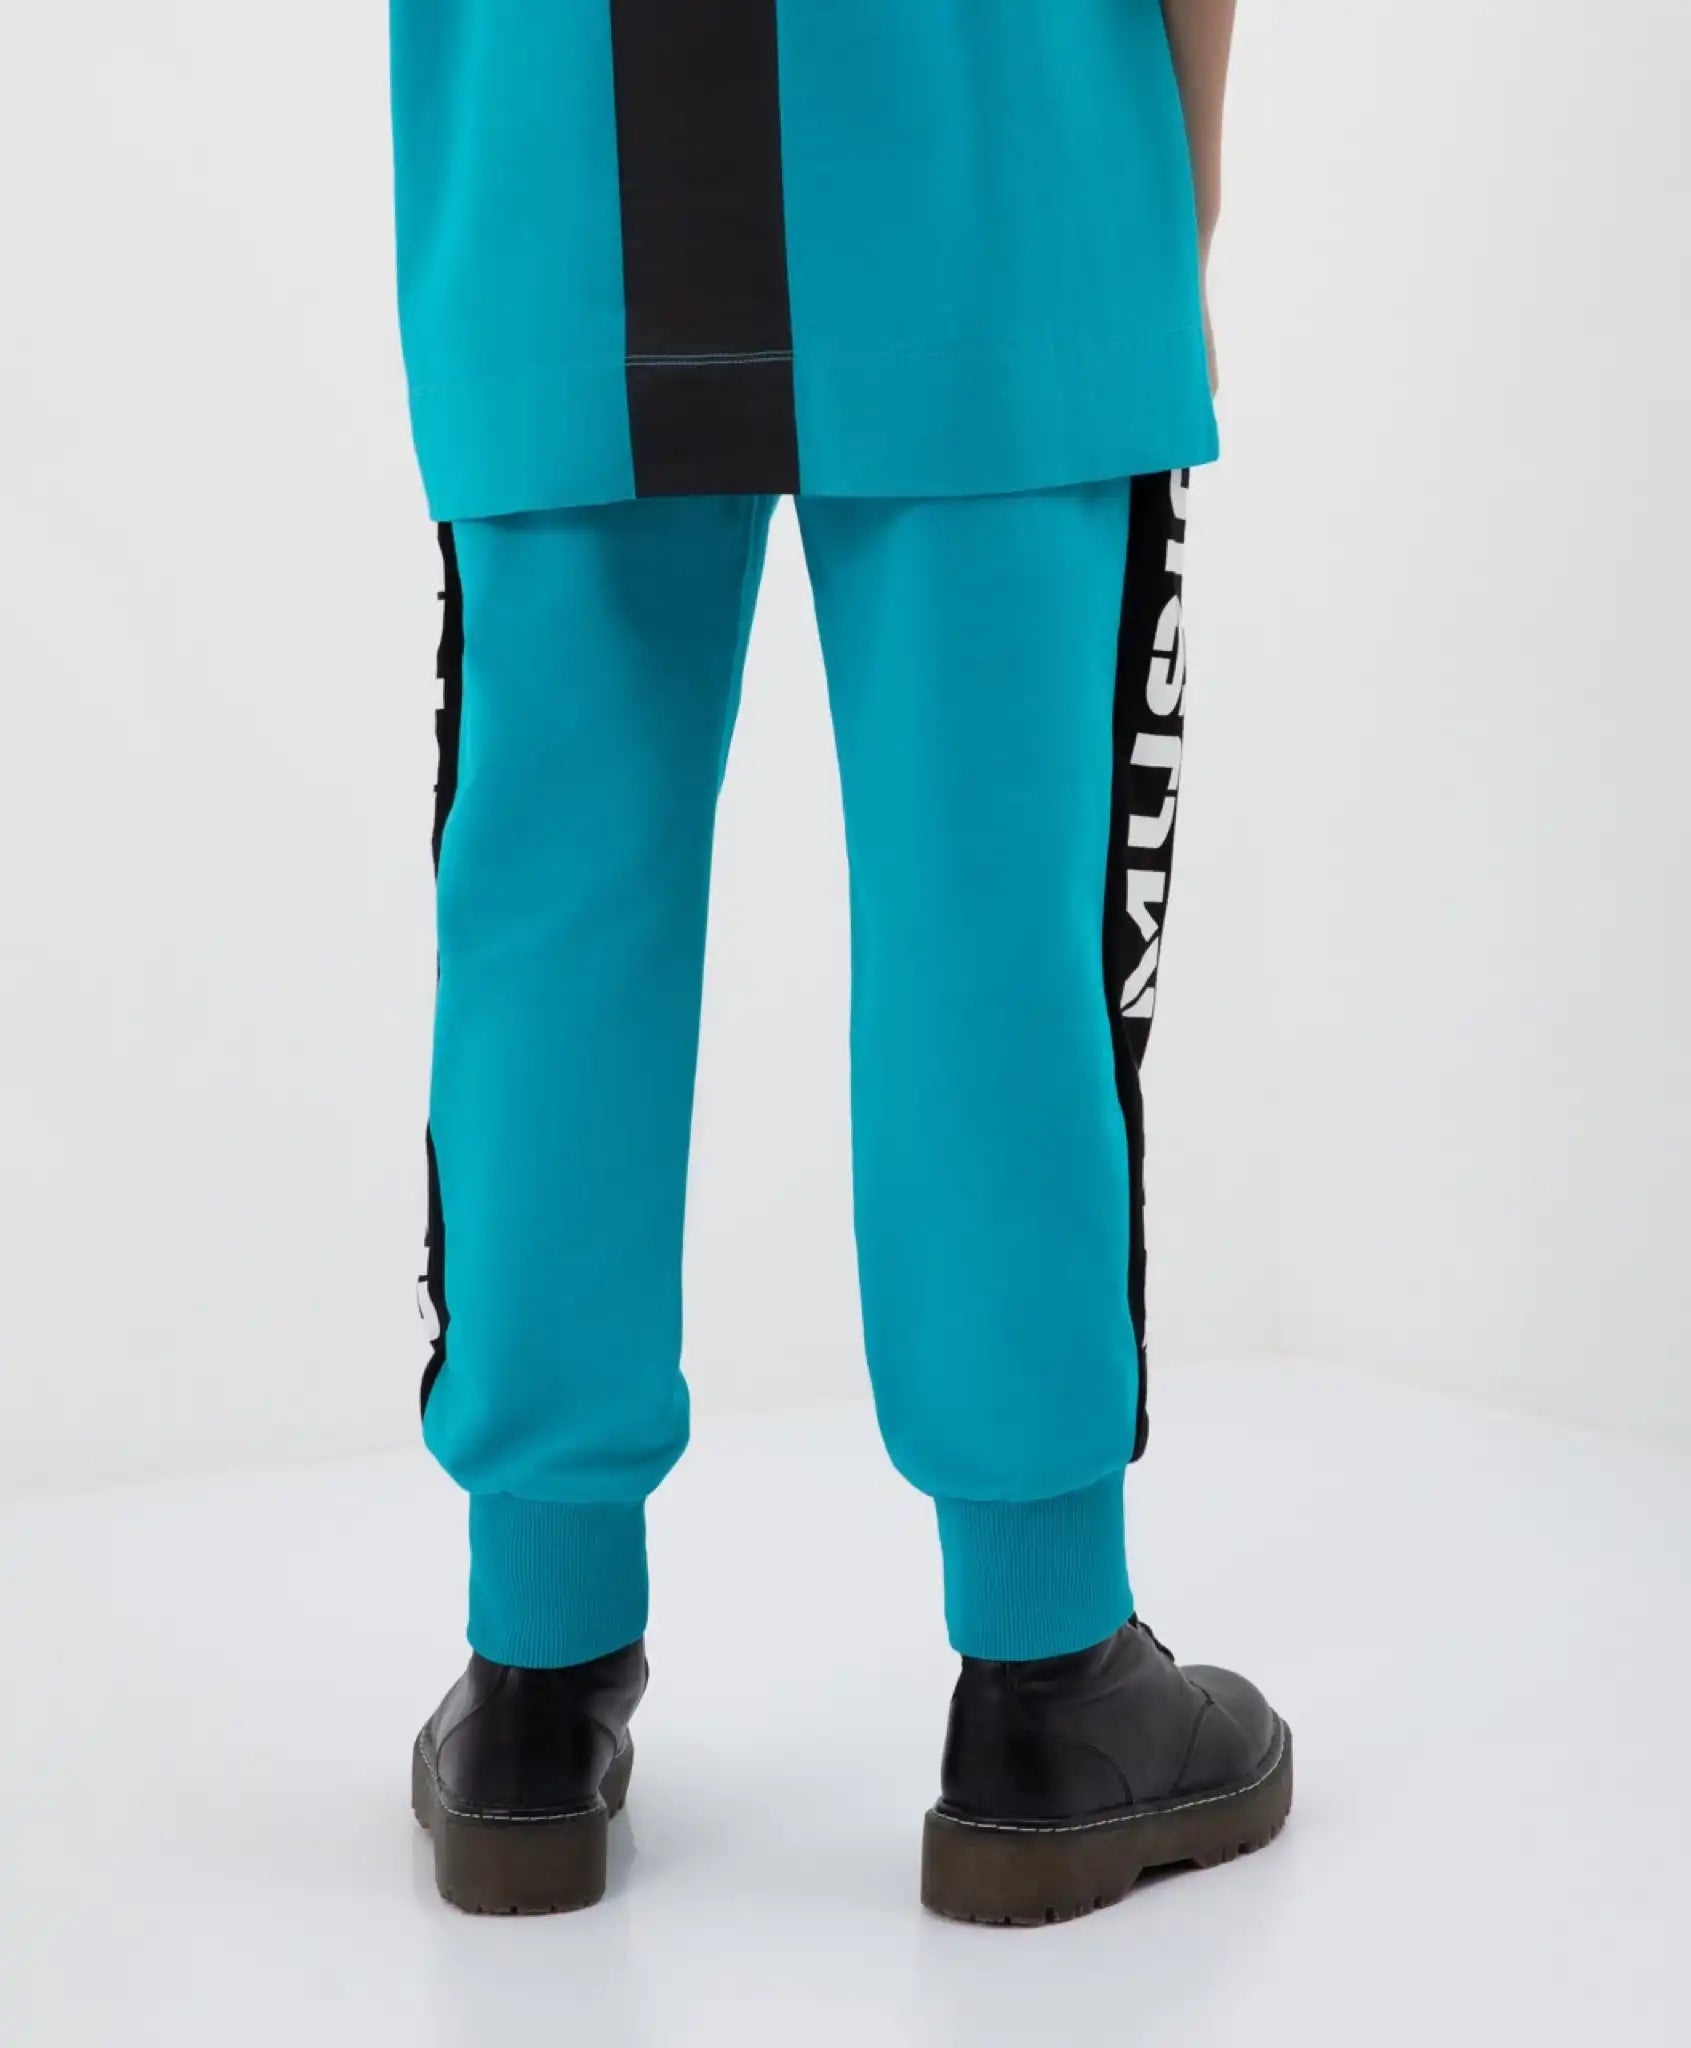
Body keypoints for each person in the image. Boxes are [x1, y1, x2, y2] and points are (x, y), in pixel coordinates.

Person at [392, 0, 1289, 1925]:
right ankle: (1050, 1675)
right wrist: (1180, 193)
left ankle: (535, 1678)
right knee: (1006, 938)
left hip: (559, 168)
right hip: (999, 158)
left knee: (550, 928)